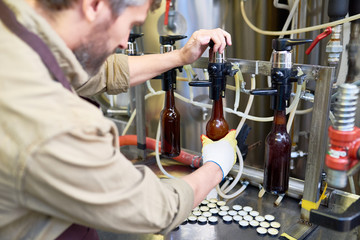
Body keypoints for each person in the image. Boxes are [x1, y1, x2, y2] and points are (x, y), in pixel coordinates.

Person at [0, 0, 237, 239]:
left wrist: (181, 56)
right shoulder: (50, 117)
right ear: (93, 5)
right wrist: (216, 166)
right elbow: (154, 209)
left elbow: (97, 72)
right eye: (131, 23)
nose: (125, 42)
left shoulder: (16, 32)